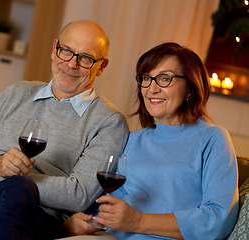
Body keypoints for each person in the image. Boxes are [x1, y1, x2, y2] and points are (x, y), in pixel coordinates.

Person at [0, 20, 129, 240]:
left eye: (86, 58)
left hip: (40, 217)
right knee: (7, 197)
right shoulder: (16, 93)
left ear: (101, 66)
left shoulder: (108, 121)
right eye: (66, 51)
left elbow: (78, 195)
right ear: (54, 50)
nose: (72, 64)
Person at [63, 42, 239, 240]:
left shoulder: (213, 140)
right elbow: (108, 204)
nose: (152, 88)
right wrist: (84, 221)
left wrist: (138, 222)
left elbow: (218, 220)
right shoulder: (130, 139)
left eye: (165, 79)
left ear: (190, 87)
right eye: (146, 78)